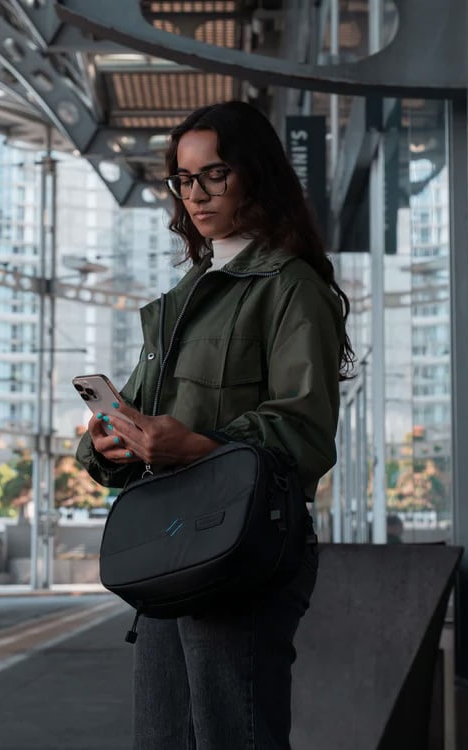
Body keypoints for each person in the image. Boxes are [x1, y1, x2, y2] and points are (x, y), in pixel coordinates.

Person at [76, 100, 354, 749]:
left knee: (237, 737)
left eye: (214, 175)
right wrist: (107, 444)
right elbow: (140, 413)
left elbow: (307, 429)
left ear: (254, 175)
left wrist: (202, 445)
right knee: (163, 738)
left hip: (245, 546)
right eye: (183, 178)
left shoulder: (290, 288)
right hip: (173, 546)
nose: (195, 194)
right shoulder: (180, 301)